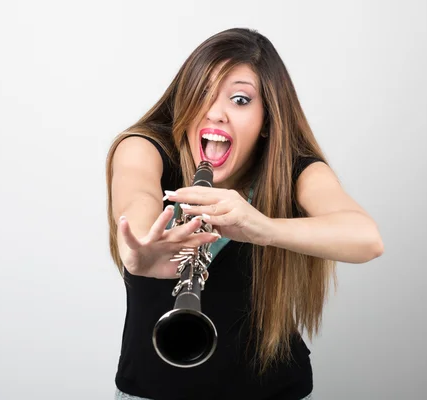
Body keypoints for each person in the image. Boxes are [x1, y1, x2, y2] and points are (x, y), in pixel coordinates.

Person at [104, 27, 384, 400]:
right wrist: (138, 248)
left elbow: (366, 239)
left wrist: (260, 226)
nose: (216, 113)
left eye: (239, 99)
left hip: (272, 390)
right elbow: (135, 199)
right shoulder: (146, 146)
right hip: (151, 390)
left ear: (268, 117)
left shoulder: (295, 170)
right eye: (203, 92)